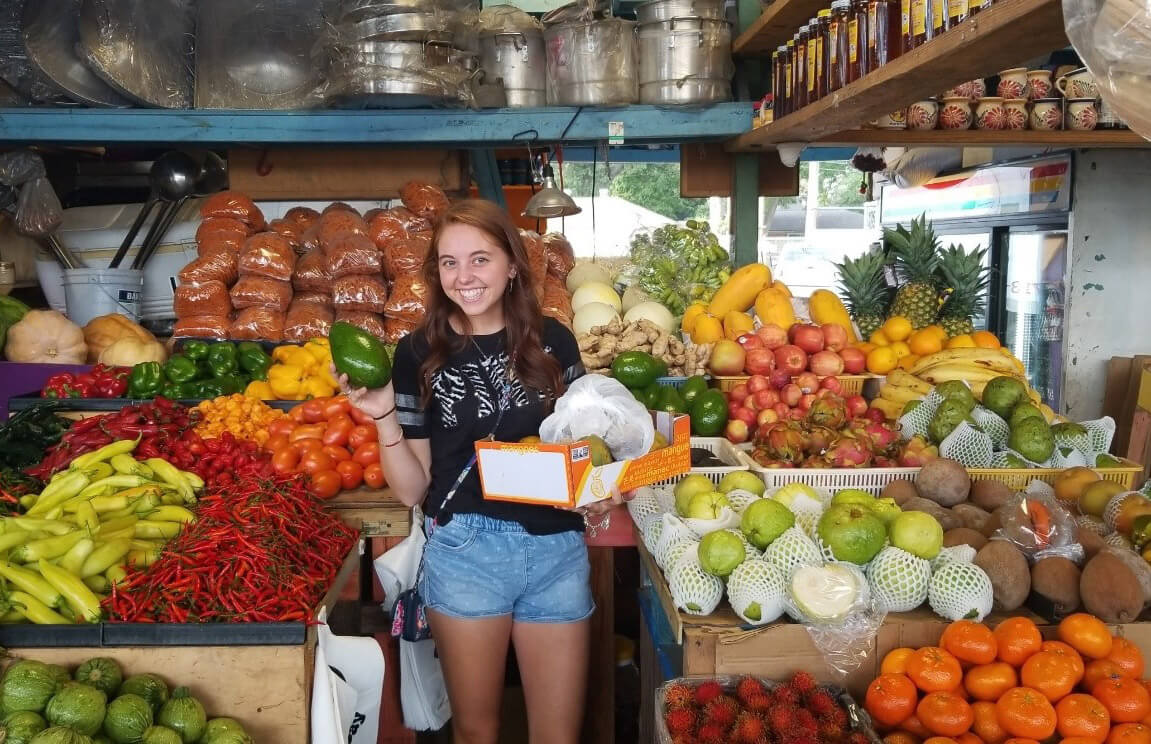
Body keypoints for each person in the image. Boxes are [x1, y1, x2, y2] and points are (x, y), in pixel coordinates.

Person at [337, 199, 622, 744]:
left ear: (512, 264)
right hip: (467, 553)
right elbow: (411, 489)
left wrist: (601, 491)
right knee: (475, 732)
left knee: (560, 736)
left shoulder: (555, 341)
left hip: (556, 550)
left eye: (480, 259)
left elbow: (586, 448)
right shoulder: (417, 351)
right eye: (449, 263)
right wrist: (382, 418)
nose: (463, 277)